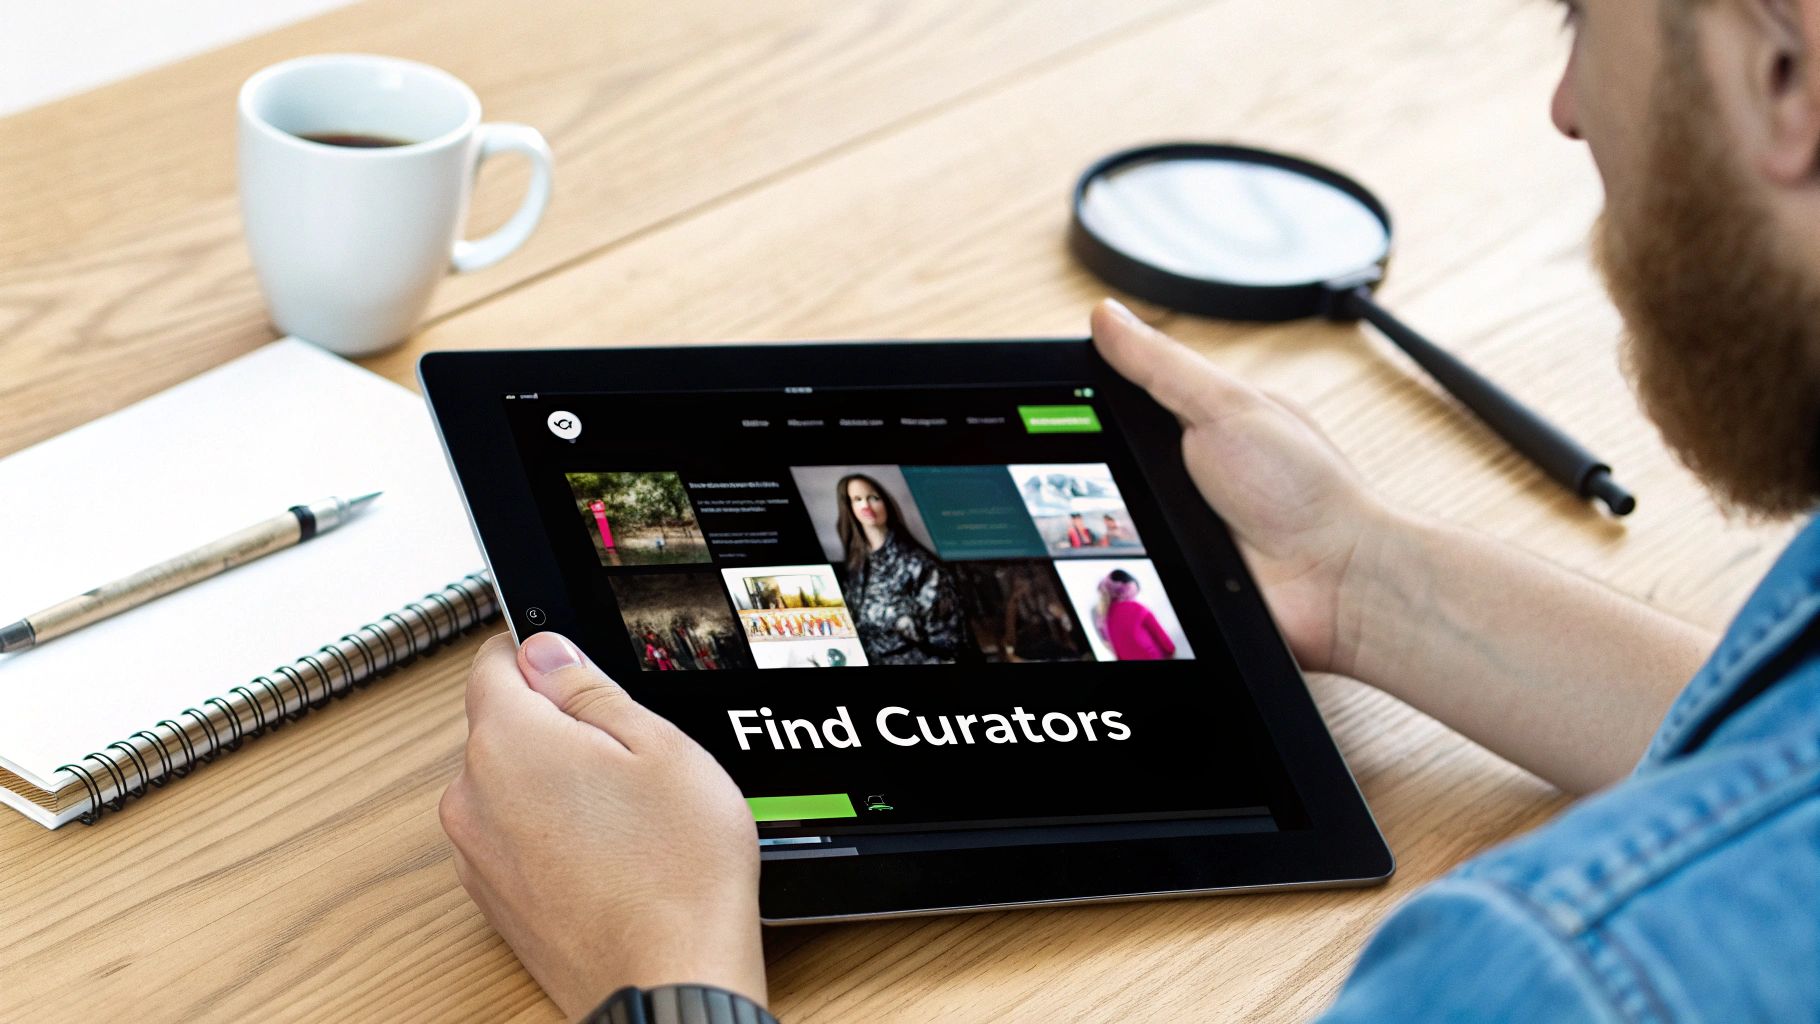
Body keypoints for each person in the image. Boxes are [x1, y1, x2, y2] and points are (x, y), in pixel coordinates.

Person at [437, 1, 1820, 1018]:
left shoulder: (1561, 972)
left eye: (1587, 16)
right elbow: (1783, 758)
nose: (1568, 105)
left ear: (1783, 69)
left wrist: (665, 966)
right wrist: (1356, 576)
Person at [831, 472, 970, 665]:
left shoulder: (919, 565)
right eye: (857, 499)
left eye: (873, 497)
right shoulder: (853, 568)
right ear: (849, 507)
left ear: (886, 502)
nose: (866, 505)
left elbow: (950, 645)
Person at [1093, 569, 1177, 661]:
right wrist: (1171, 651)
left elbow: (1117, 650)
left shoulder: (1104, 619)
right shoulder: (1137, 608)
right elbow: (1162, 638)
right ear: (1129, 587)